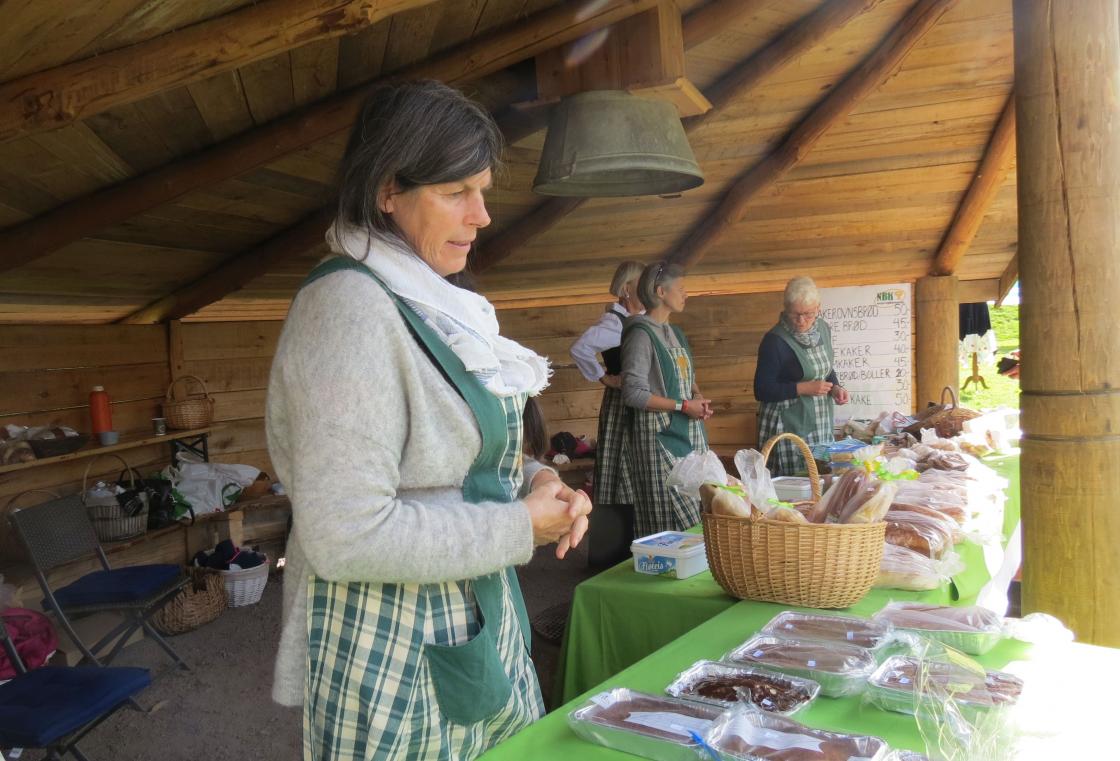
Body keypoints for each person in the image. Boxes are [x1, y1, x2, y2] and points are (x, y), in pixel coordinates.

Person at [266, 80, 591, 761]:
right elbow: (343, 535)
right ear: (388, 190)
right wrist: (518, 524)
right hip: (395, 647)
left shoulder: (434, 302)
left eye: (483, 190)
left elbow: (452, 454)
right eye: (456, 192)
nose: (482, 215)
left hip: (474, 615)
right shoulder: (350, 310)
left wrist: (538, 480)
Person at [621, 261, 713, 537]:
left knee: (697, 504)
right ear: (661, 292)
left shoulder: (675, 333)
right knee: (665, 512)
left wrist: (697, 395)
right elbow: (632, 393)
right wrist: (684, 405)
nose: (686, 294)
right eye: (681, 289)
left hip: (687, 430)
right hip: (657, 436)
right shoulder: (640, 334)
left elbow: (686, 375)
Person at [569, 260, 644, 565]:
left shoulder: (639, 320)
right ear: (627, 289)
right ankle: (611, 555)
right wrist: (604, 376)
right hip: (621, 407)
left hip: (637, 405)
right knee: (617, 475)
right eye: (643, 283)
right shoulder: (615, 323)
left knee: (635, 474)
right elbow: (580, 348)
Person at [754, 276, 849, 475]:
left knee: (818, 475)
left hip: (820, 421)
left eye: (808, 314)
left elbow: (825, 368)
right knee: (795, 482)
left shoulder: (823, 329)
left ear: (818, 308)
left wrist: (836, 387)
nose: (801, 320)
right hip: (788, 423)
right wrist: (804, 388)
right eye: (794, 314)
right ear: (786, 309)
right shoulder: (775, 341)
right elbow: (762, 389)